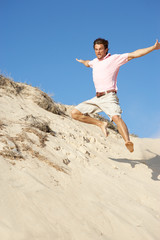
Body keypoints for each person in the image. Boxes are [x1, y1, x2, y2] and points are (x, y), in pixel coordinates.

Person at [71, 38, 160, 153]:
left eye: (101, 49)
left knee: (116, 118)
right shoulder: (94, 62)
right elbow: (88, 63)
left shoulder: (114, 59)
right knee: (74, 113)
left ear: (106, 49)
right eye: (96, 49)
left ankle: (127, 141)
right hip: (97, 98)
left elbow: (134, 54)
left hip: (109, 96)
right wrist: (82, 61)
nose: (98, 52)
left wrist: (153, 48)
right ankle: (101, 124)